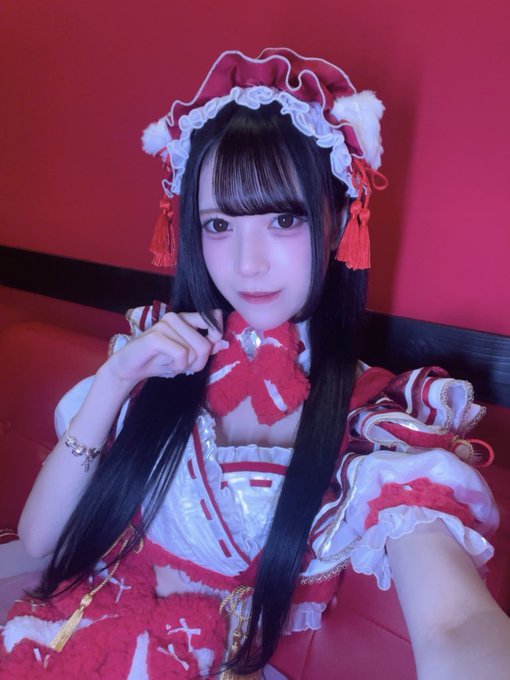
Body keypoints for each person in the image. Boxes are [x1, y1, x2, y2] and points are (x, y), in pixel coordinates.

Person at [1, 48, 509, 679]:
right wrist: (115, 380)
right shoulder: (160, 354)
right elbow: (40, 540)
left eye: (283, 218)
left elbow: (453, 624)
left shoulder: (375, 418)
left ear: (338, 221)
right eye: (219, 225)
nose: (247, 264)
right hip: (62, 629)